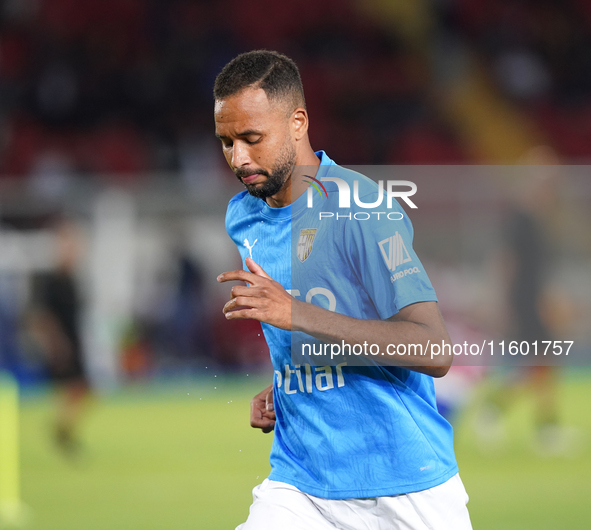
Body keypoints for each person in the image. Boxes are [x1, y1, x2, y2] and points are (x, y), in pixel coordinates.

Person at [214, 50, 472, 529]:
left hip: (401, 485)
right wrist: (289, 381)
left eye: (252, 138)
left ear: (298, 122)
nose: (238, 158)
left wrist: (295, 314)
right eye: (226, 142)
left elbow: (434, 349)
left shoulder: (362, 209)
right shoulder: (243, 216)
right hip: (300, 481)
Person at [28, 219, 91, 457]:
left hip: (74, 342)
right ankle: (61, 433)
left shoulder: (72, 279)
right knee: (77, 388)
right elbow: (40, 315)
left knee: (80, 391)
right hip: (61, 345)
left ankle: (62, 432)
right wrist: (55, 343)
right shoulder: (50, 280)